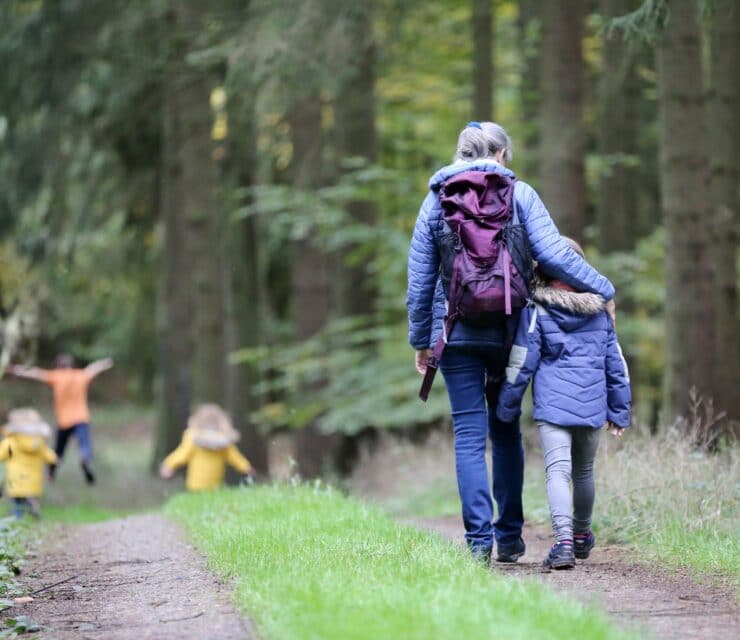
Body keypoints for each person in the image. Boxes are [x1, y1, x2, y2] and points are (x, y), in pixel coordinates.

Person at [407, 121, 616, 564]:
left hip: (456, 332)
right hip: (511, 331)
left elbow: (420, 281)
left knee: (467, 434)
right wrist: (604, 289)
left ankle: (478, 543)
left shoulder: (435, 201)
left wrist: (421, 340)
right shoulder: (521, 195)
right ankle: (510, 538)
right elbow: (557, 255)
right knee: (505, 430)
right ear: (500, 154)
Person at [496, 238, 631, 569]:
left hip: (554, 408)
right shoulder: (600, 312)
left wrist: (507, 406)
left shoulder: (537, 310)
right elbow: (616, 365)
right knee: (584, 471)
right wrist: (619, 411)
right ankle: (583, 535)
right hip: (592, 404)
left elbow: (522, 361)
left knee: (558, 472)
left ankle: (564, 543)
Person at [7, 354, 113, 484]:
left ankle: (51, 473)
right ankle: (85, 459)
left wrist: (16, 369)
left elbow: (36, 373)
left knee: (59, 450)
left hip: (64, 421)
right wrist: (105, 363)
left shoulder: (56, 376)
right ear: (71, 366)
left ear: (58, 366)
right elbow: (92, 369)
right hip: (81, 418)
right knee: (84, 444)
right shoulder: (80, 375)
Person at [159, 404, 253, 491]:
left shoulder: (193, 437)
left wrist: (168, 465)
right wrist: (246, 467)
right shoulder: (222, 441)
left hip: (195, 484)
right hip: (213, 484)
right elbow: (235, 456)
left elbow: (182, 454)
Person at [0, 408, 58, 518]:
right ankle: (32, 506)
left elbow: (1, 455)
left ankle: (17, 519)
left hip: (16, 479)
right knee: (29, 495)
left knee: (17, 503)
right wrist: (55, 459)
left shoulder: (10, 442)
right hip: (33, 480)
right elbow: (50, 456)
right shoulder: (38, 442)